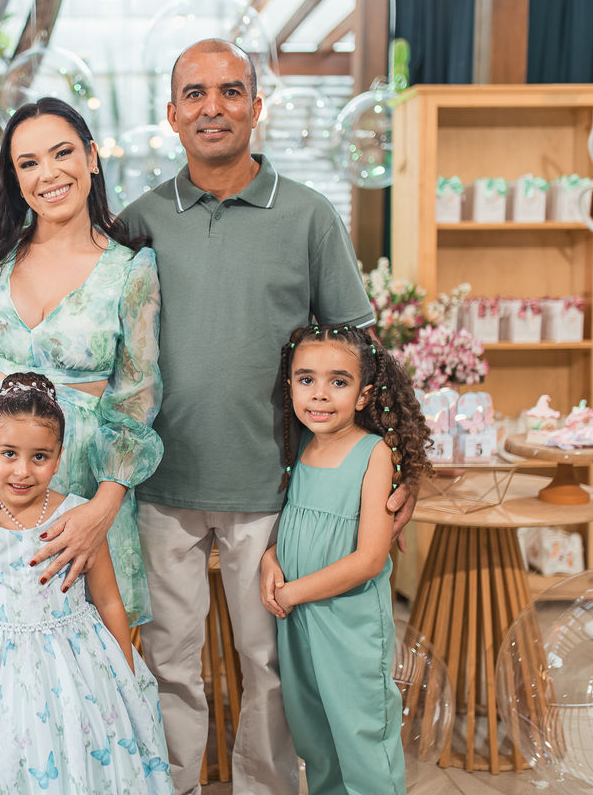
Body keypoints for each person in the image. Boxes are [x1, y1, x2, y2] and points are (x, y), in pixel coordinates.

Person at [113, 39, 418, 795]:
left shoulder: (309, 216)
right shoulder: (138, 220)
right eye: (194, 93)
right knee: (168, 662)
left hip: (275, 487)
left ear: (256, 106)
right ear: (172, 113)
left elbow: (363, 353)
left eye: (230, 91)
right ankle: (174, 784)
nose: (212, 107)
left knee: (272, 664)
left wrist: (401, 466)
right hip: (160, 482)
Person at [0, 98, 162, 628]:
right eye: (28, 162)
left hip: (77, 481)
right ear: (15, 177)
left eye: (62, 153)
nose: (48, 174)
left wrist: (104, 507)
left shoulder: (130, 271)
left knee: (76, 641)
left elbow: (136, 402)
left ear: (91, 157)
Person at [0, 373, 173, 794]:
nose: (23, 471)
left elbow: (108, 600)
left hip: (77, 660)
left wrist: (125, 671)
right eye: (9, 454)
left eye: (40, 456)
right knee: (11, 749)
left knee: (76, 745)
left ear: (59, 457)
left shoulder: (79, 518)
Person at [262, 324, 430, 795]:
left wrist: (291, 593)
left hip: (348, 623)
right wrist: (270, 558)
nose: (319, 394)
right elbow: (300, 526)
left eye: (338, 381)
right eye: (306, 379)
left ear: (363, 395)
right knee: (315, 736)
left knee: (361, 735)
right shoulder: (302, 447)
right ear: (290, 386)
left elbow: (370, 559)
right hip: (300, 623)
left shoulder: (373, 453)